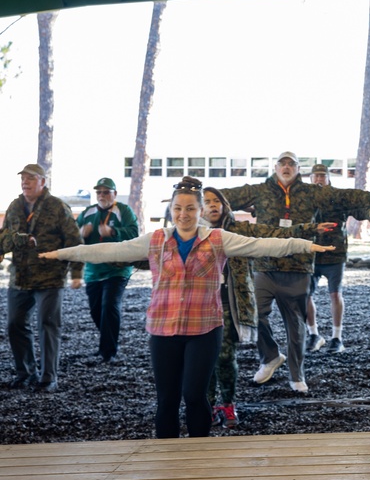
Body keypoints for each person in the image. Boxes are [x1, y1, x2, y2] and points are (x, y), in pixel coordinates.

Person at [40, 177, 336, 439]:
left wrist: (305, 245)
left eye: (191, 209)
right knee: (167, 399)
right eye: (178, 209)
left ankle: (199, 456)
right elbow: (107, 251)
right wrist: (61, 254)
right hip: (163, 329)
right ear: (171, 210)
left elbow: (261, 245)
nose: (184, 215)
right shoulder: (156, 240)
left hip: (204, 329)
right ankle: (168, 461)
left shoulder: (217, 239)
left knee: (194, 395)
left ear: (200, 211)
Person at [221, 152, 370, 392]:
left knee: (296, 325)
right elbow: (223, 197)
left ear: (298, 169)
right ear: (275, 167)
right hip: (264, 265)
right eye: (282, 163)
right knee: (255, 316)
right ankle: (270, 357)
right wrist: (192, 195)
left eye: (291, 164)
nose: (286, 167)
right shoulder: (260, 190)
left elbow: (345, 197)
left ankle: (297, 375)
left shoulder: (311, 193)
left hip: (299, 265)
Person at [201, 186, 334, 428]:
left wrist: (307, 232)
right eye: (206, 201)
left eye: (215, 200)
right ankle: (206, 405)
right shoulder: (193, 235)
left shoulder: (240, 230)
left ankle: (228, 404)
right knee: (203, 357)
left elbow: (273, 233)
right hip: (198, 304)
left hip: (230, 303)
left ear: (224, 205)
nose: (211, 205)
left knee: (224, 355)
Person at [3, 163, 82, 393]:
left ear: (42, 182)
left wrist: (76, 274)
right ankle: (25, 372)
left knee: (47, 325)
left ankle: (48, 378)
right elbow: (5, 236)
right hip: (20, 277)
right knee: (14, 324)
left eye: (30, 178)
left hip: (50, 278)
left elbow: (74, 240)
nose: (25, 182)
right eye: (23, 178)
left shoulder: (57, 206)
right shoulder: (14, 206)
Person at [305, 163, 370, 355]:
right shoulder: (303, 199)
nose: (319, 179)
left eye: (322, 176)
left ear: (328, 178)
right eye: (316, 176)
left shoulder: (338, 197)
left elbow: (359, 208)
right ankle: (314, 334)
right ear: (310, 179)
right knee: (305, 295)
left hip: (334, 254)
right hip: (310, 254)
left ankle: (337, 338)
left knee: (335, 294)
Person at [76, 177, 139, 363]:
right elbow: (71, 235)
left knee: (109, 306)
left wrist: (113, 233)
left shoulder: (124, 211)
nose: (102, 195)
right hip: (93, 271)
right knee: (96, 310)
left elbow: (134, 234)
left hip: (117, 269)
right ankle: (107, 344)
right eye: (99, 192)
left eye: (106, 192)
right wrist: (80, 234)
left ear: (115, 194)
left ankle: (108, 352)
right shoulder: (87, 213)